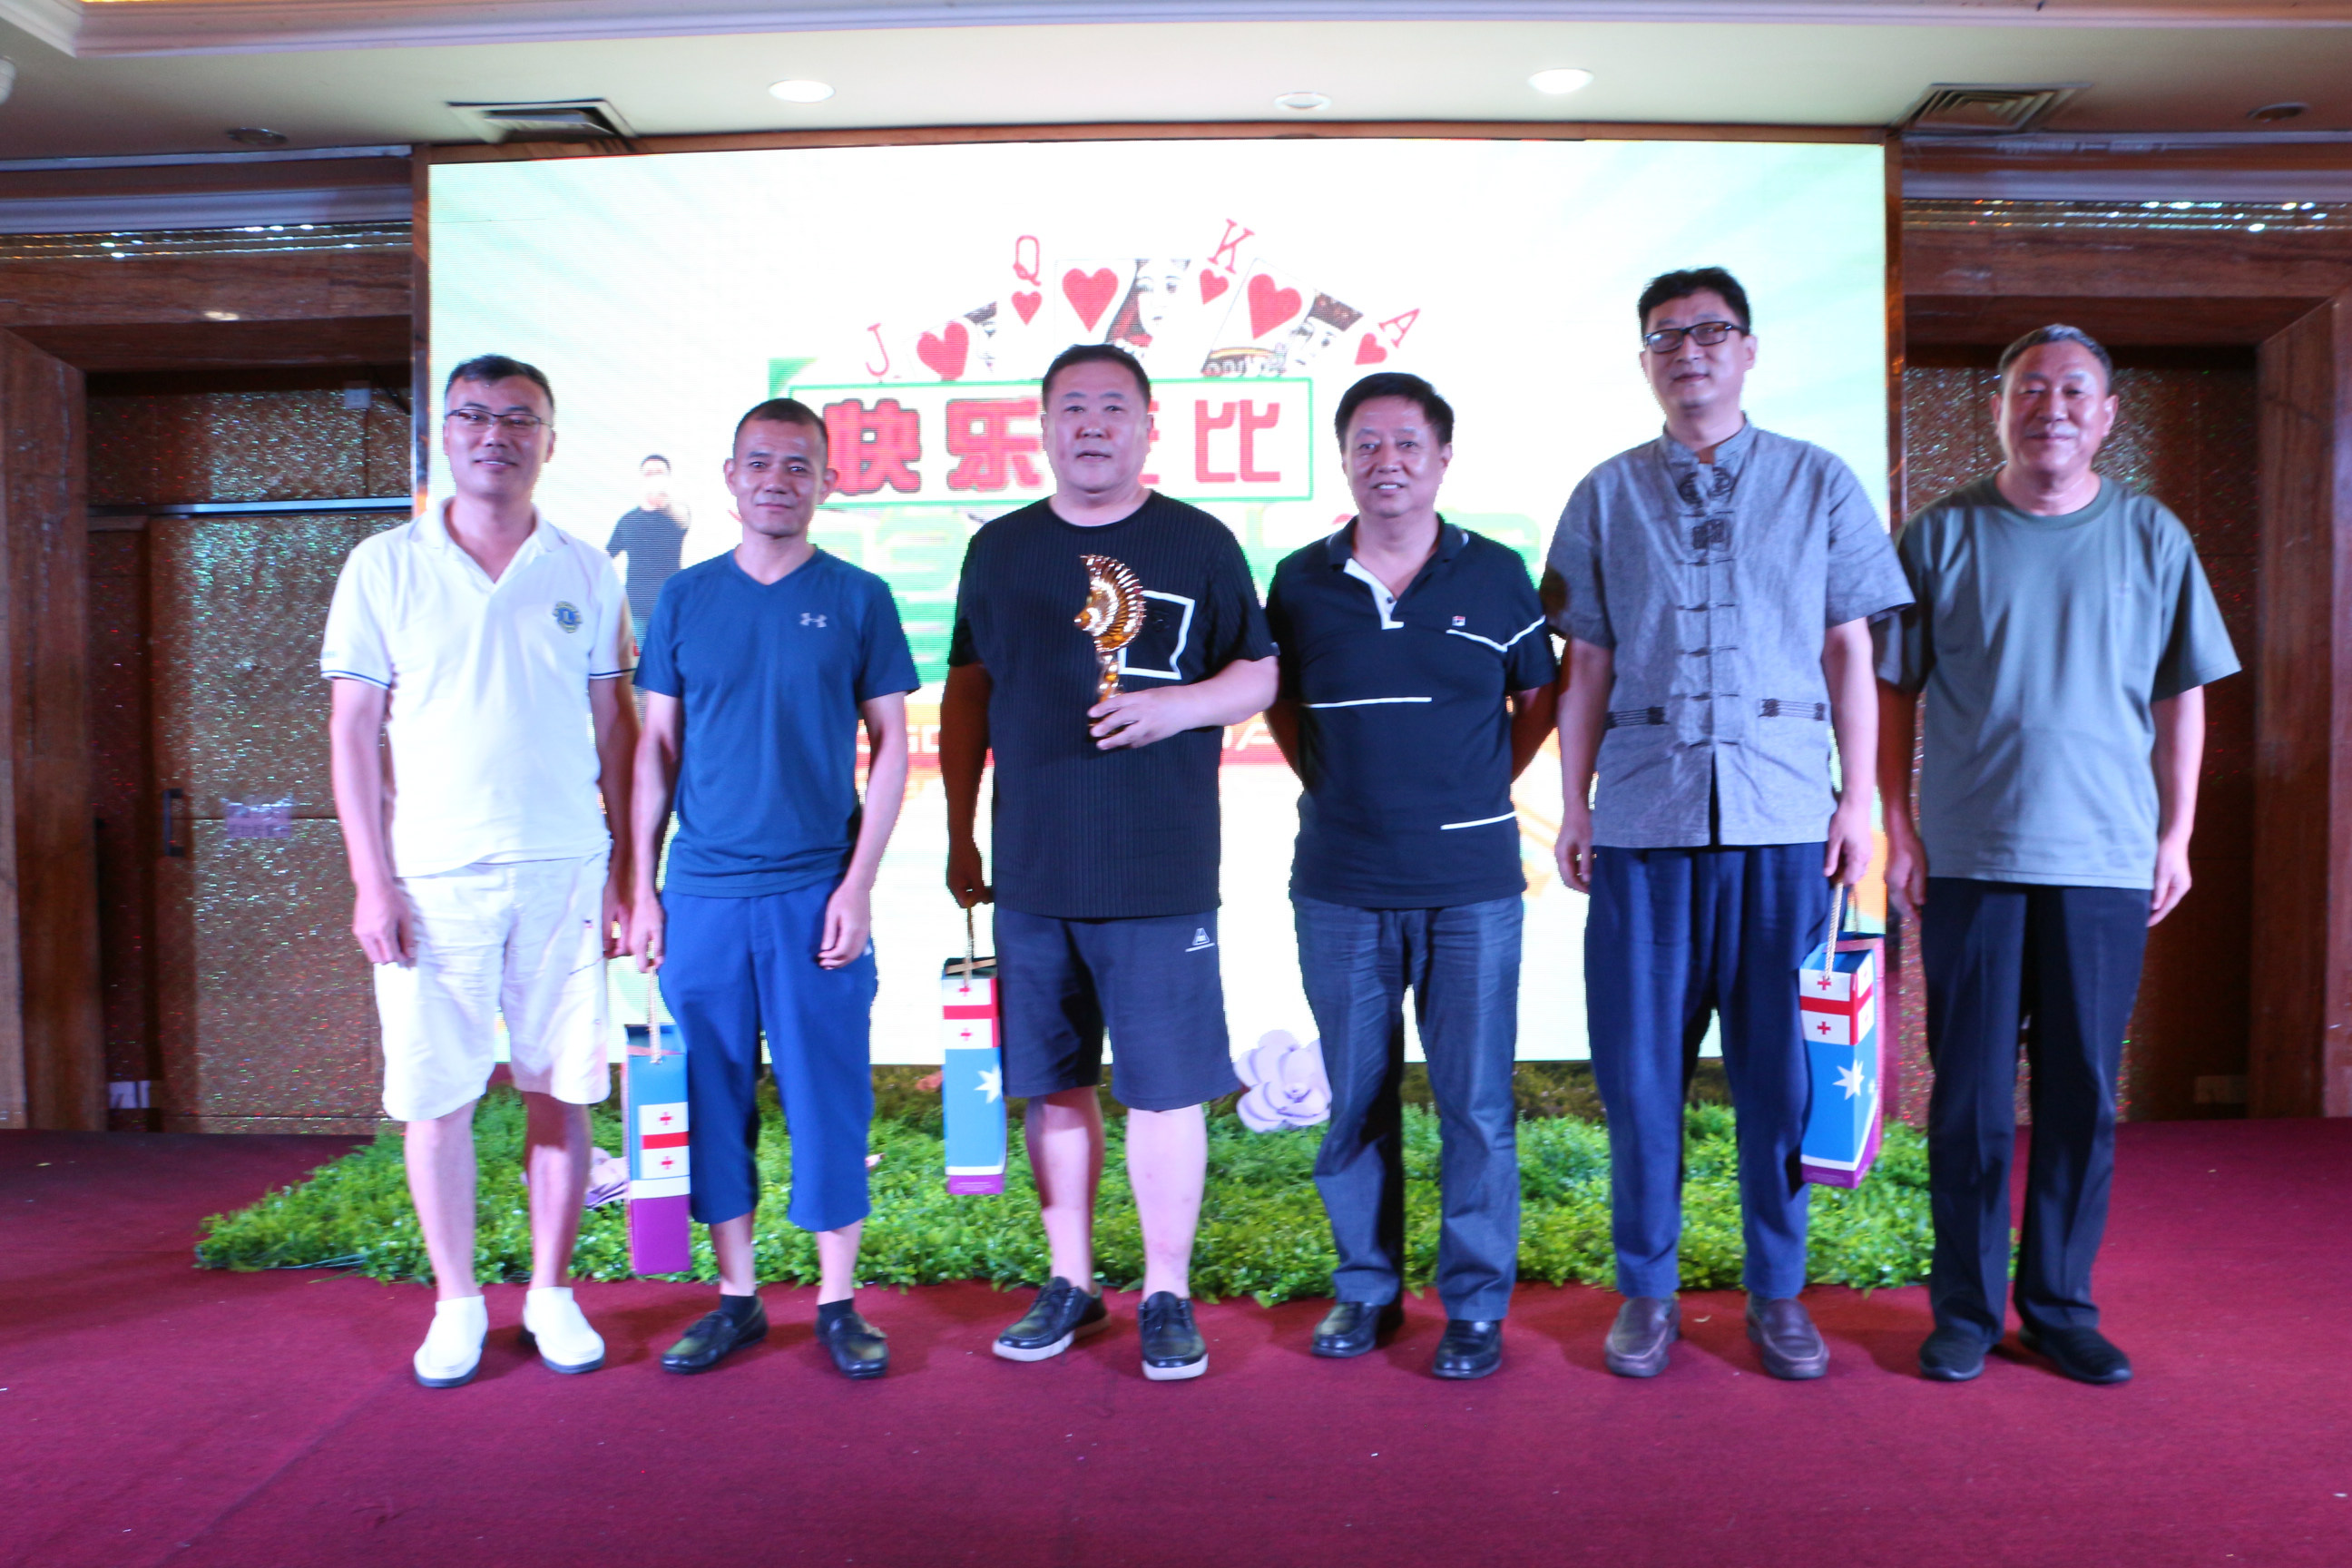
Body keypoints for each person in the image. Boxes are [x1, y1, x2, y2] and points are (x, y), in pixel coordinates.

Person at [1546, 268, 1911, 1382]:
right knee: (1639, 1078)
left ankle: (1778, 1292)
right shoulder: (1605, 493)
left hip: (1785, 819)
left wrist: (1858, 801)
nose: (1690, 351)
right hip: (1645, 822)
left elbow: (1850, 648)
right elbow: (1586, 663)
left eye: (1711, 331)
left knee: (1781, 1079)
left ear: (1748, 350)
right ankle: (1646, 1293)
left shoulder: (1818, 480)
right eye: (1667, 337)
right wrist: (1575, 802)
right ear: (1645, 362)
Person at [1876, 325, 2239, 1387]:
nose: (2053, 407)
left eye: (2076, 390)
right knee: (1969, 1098)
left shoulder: (2151, 535)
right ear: (1999, 408)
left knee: (2081, 1092)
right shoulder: (1942, 533)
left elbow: (2182, 695)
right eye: (2031, 389)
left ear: (2107, 414)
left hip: (2105, 859)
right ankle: (1964, 1311)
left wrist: (2176, 833)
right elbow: (1892, 690)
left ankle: (2061, 1306)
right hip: (1972, 857)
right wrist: (1897, 824)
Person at [941, 342, 1278, 1381]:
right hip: (1035, 868)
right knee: (1054, 1086)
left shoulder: (1199, 540)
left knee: (1166, 1090)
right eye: (1073, 407)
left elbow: (1260, 674)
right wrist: (959, 830)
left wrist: (1177, 707)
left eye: (1114, 407)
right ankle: (1072, 1281)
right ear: (1043, 425)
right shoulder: (999, 549)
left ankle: (1166, 1292)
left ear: (1147, 426)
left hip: (1159, 867)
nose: (1093, 424)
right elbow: (966, 694)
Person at [321, 353, 637, 1389]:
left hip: (564, 867)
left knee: (563, 1090)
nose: (495, 434)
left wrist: (628, 872)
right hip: (431, 875)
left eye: (518, 418)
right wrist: (372, 880)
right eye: (472, 416)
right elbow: (353, 730)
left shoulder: (586, 568)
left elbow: (616, 727)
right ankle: (456, 1302)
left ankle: (551, 1293)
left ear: (551, 441)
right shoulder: (383, 566)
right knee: (435, 1097)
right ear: (444, 436)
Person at [1264, 372, 1555, 1380]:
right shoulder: (1299, 582)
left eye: (1407, 444)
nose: (1386, 461)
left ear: (1442, 458)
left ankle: (1473, 1305)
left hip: (1472, 883)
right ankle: (1366, 1290)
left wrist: (1476, 784)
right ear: (1344, 458)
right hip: (1340, 881)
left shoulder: (1497, 574)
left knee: (1475, 1103)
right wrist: (1341, 786)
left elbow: (1538, 698)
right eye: (1367, 444)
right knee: (1355, 1097)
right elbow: (1282, 703)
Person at [628, 397, 917, 1380]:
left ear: (827, 482)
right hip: (703, 895)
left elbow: (892, 747)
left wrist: (858, 884)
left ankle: (838, 1303)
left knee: (829, 1095)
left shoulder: (859, 597)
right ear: (730, 476)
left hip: (813, 892)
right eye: (759, 463)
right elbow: (656, 750)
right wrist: (643, 888)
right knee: (710, 1098)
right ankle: (737, 1298)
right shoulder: (684, 598)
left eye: (798, 466)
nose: (777, 481)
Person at [607, 454, 691, 641]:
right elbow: (607, 555)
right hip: (636, 609)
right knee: (646, 656)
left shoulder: (678, 513)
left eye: (659, 473)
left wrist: (660, 501)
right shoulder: (628, 520)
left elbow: (680, 520)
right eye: (649, 473)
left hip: (671, 606)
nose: (654, 478)